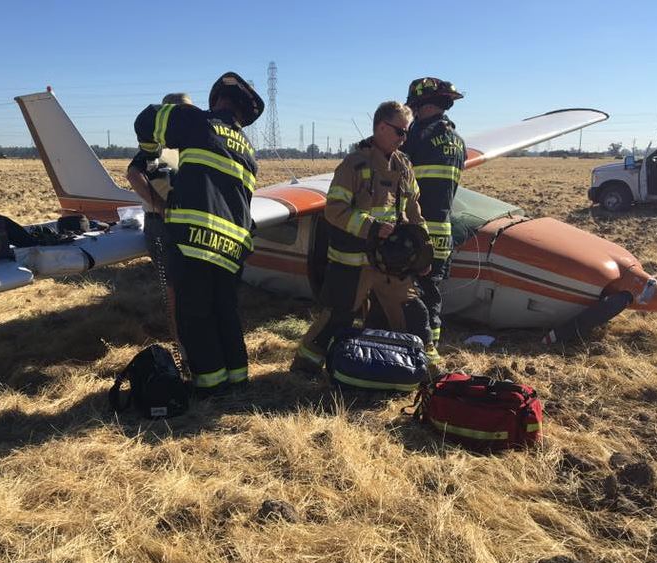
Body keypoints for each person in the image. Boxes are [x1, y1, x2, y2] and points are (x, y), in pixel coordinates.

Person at [133, 73, 263, 394]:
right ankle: (237, 381)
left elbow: (146, 120)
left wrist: (151, 152)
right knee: (226, 314)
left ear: (217, 99)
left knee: (196, 316)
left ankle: (210, 387)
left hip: (195, 240)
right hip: (233, 246)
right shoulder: (247, 148)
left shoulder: (197, 122)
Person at [292, 101, 431, 377]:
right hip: (354, 263)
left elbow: (414, 209)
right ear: (381, 127)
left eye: (407, 132)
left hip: (392, 263)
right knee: (338, 317)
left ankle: (425, 370)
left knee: (414, 314)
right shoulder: (353, 165)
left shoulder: (404, 165)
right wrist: (371, 227)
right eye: (400, 132)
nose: (404, 139)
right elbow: (334, 210)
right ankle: (303, 369)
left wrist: (424, 252)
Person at [401, 77, 466, 366]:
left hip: (418, 230)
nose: (413, 114)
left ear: (426, 106)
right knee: (432, 292)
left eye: (415, 108)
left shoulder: (419, 137)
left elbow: (397, 172)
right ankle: (432, 349)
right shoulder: (457, 141)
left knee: (410, 293)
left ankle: (415, 352)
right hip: (443, 231)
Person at [126, 93, 193, 347]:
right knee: (174, 290)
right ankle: (181, 345)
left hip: (184, 224)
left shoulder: (183, 148)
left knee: (187, 286)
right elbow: (134, 174)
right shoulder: (154, 148)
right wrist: (161, 207)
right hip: (161, 226)